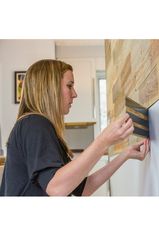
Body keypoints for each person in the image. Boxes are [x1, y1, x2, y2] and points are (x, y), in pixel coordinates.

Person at [0, 59, 149, 196]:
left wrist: (125, 154)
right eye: (69, 86)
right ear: (50, 88)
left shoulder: (36, 126)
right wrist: (104, 140)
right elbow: (57, 188)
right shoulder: (34, 123)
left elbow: (84, 188)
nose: (75, 94)